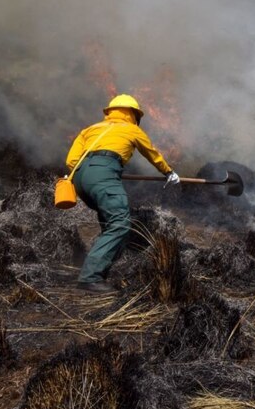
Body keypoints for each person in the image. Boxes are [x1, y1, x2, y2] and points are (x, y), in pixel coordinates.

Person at [66, 94, 180, 293]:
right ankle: (90, 278)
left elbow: (71, 161)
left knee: (110, 223)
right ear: (133, 114)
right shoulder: (132, 129)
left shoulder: (91, 129)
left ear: (110, 112)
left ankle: (101, 270)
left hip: (80, 177)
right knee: (119, 224)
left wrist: (94, 172)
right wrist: (168, 172)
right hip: (103, 174)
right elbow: (152, 153)